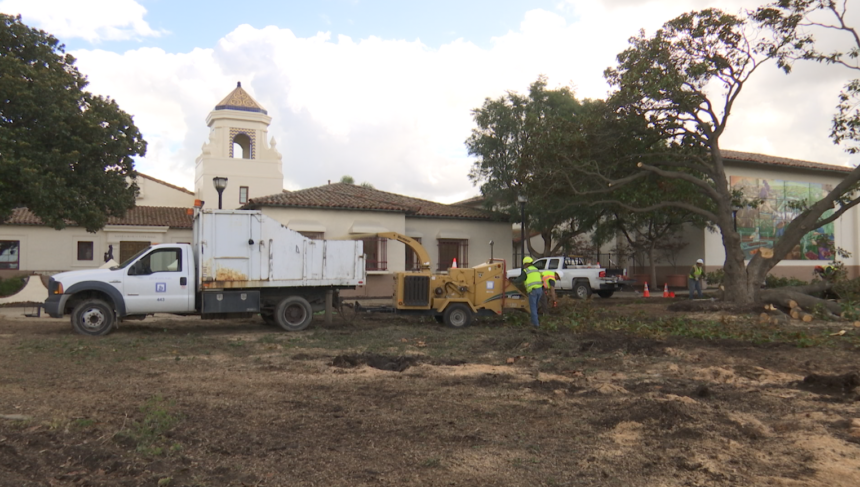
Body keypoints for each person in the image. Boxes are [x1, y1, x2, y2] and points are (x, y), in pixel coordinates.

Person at [511, 256, 543, 327]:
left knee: (533, 308)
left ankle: (535, 324)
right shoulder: (536, 270)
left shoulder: (526, 271)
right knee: (535, 306)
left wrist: (512, 281)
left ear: (526, 264)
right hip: (540, 290)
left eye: (524, 265)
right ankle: (535, 320)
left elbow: (520, 279)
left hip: (533, 291)